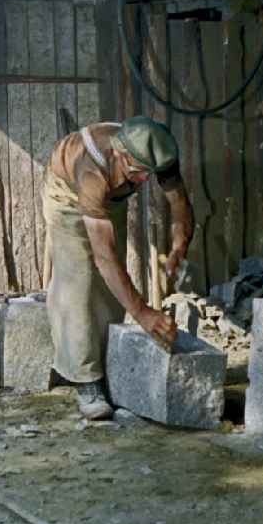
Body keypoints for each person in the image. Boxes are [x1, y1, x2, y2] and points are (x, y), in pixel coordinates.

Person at [44, 117, 194, 420]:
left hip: (109, 198)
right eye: (138, 174)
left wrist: (180, 247)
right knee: (81, 277)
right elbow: (103, 256)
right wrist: (143, 314)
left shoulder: (156, 153)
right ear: (120, 154)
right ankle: (85, 379)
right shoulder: (92, 173)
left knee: (113, 287)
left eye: (147, 175)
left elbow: (179, 203)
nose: (143, 181)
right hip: (68, 197)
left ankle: (104, 360)